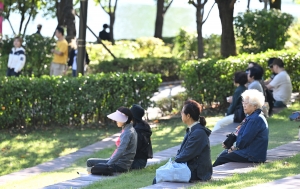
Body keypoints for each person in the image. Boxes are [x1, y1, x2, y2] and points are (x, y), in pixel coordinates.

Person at [152, 100, 212, 184]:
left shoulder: (198, 133)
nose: (181, 114)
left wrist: (174, 161)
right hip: (190, 167)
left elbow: (187, 154)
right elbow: (183, 152)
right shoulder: (193, 130)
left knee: (159, 177)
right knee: (160, 174)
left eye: (182, 112)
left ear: (188, 116)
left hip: (198, 173)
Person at [213, 89, 268, 167]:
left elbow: (244, 139)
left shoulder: (255, 119)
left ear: (255, 106)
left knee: (222, 158)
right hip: (250, 152)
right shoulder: (252, 116)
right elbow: (241, 134)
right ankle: (210, 173)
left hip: (252, 155)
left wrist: (233, 148)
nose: (244, 105)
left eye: (246, 103)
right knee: (223, 155)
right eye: (243, 102)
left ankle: (209, 176)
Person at [86, 107, 137, 175]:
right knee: (93, 162)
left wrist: (108, 164)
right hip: (123, 163)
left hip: (120, 165)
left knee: (90, 162)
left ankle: (90, 178)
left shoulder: (127, 133)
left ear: (124, 120)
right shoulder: (131, 129)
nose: (116, 121)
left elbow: (121, 150)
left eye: (118, 119)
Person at [130, 104, 153, 169]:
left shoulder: (138, 130)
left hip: (138, 162)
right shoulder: (142, 125)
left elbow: (135, 148)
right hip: (141, 161)